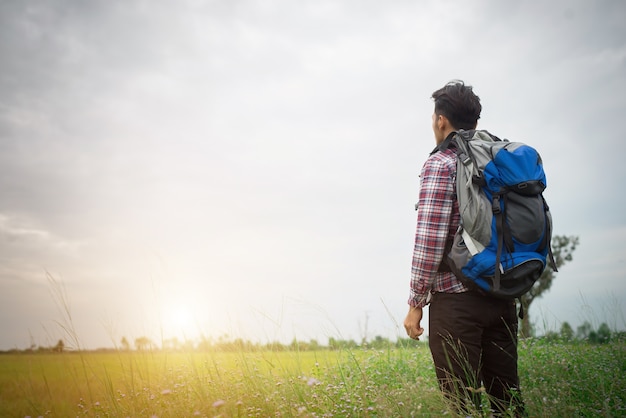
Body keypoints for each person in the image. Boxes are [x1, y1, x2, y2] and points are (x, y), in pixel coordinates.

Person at [403, 80, 526, 416]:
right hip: (502, 295)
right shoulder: (498, 161)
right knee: (508, 403)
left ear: (441, 120)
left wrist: (415, 303)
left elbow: (429, 241)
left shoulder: (440, 164)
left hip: (456, 304)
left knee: (463, 406)